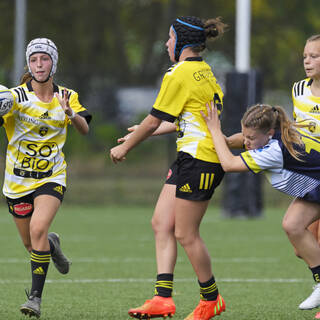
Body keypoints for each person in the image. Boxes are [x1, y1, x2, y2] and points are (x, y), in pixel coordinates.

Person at [110, 16, 227, 320]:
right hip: (191, 156)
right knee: (161, 224)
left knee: (186, 234)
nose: (166, 44)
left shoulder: (178, 74)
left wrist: (126, 146)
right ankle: (163, 298)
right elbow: (182, 119)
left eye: (170, 38)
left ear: (183, 43)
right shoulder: (203, 71)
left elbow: (152, 120)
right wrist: (143, 130)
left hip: (199, 159)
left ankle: (210, 299)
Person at [1, 38, 92, 318]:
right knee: (32, 243)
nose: (39, 65)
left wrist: (70, 113)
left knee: (38, 229)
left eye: (44, 59)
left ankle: (35, 299)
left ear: (54, 62)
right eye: (34, 60)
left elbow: (85, 128)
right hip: (17, 182)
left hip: (51, 177)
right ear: (29, 64)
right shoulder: (14, 98)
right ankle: (52, 245)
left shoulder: (67, 95)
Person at [202, 102, 320, 316]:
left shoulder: (272, 151)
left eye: (251, 138)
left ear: (269, 133)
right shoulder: (279, 133)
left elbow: (229, 164)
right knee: (294, 228)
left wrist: (214, 130)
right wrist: (226, 140)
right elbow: (242, 140)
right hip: (316, 189)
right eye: (244, 135)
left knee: (296, 229)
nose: (246, 141)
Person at [292, 34, 320, 319]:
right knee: (302, 245)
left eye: (315, 56)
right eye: (305, 56)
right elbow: (297, 128)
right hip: (312, 175)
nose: (308, 61)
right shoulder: (298, 89)